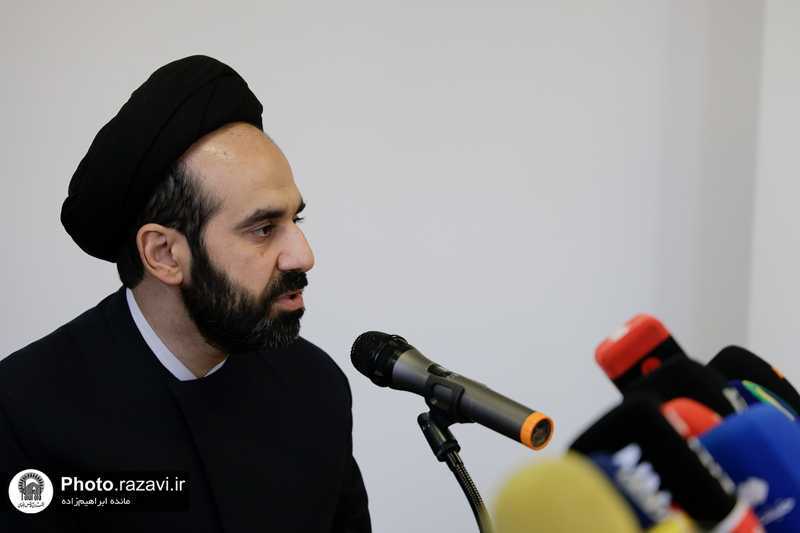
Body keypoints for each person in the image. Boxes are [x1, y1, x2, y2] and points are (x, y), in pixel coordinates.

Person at [0, 55, 371, 533]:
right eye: (263, 229)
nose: (303, 255)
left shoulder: (314, 387)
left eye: (294, 219)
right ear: (164, 254)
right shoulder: (24, 411)